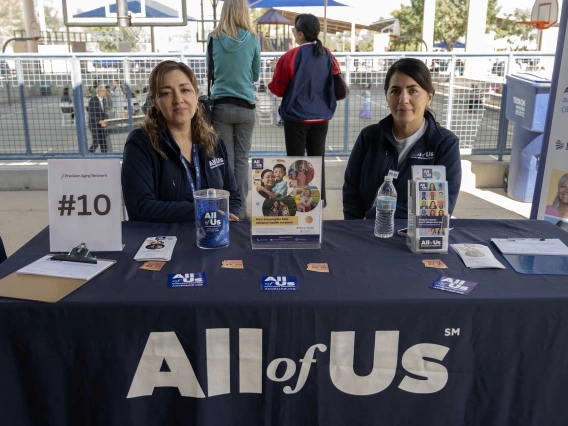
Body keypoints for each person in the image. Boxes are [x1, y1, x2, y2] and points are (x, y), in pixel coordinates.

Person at [121, 61, 241, 222]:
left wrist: (226, 221)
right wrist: (202, 210)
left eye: (185, 90)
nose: (178, 99)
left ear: (196, 94)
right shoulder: (141, 143)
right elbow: (140, 207)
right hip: (165, 241)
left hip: (214, 237)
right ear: (155, 101)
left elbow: (232, 197)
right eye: (166, 93)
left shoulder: (213, 142)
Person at [343, 58, 462, 220]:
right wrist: (356, 229)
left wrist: (376, 215)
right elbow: (351, 192)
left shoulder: (445, 144)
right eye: (395, 91)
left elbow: (441, 207)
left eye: (413, 91)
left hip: (415, 240)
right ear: (387, 96)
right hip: (366, 236)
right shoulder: (368, 137)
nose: (403, 99)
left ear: (429, 97)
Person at [268, 13, 342, 206]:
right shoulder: (328, 55)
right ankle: (320, 200)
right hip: (321, 118)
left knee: (296, 162)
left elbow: (278, 89)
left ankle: (298, 202)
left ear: (300, 34)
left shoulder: (290, 56)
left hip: (296, 118)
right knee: (318, 160)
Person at [208, 0, 260, 220]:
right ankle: (241, 209)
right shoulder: (254, 38)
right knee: (242, 159)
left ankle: (226, 210)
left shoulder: (213, 37)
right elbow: (255, 74)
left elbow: (210, 70)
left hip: (220, 104)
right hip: (245, 105)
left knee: (225, 160)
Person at [87, 85, 109, 153]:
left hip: (101, 124)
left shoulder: (104, 100)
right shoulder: (93, 100)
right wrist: (100, 121)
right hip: (94, 124)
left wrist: (106, 119)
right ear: (100, 92)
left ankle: (104, 156)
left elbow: (103, 112)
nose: (106, 93)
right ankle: (89, 154)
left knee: (103, 142)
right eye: (105, 91)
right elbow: (92, 114)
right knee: (96, 142)